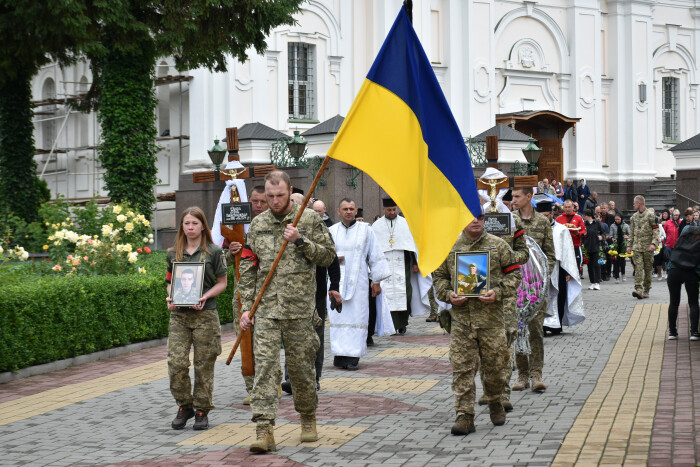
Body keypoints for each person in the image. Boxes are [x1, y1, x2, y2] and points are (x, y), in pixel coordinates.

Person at [238, 170, 336, 452]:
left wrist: (300, 240)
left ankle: (307, 417)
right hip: (266, 310)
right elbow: (247, 267)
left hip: (300, 310)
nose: (274, 201)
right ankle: (264, 430)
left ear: (289, 190)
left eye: (280, 195)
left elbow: (328, 255)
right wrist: (246, 307)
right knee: (265, 370)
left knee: (301, 369)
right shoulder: (258, 224)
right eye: (269, 196)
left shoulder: (308, 219)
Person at [433, 207, 520, 435]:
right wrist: (448, 295)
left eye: (480, 217)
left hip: (491, 320)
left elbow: (514, 274)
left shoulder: (498, 245)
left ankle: (494, 400)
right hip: (462, 320)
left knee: (495, 368)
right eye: (471, 217)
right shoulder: (450, 246)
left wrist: (497, 292)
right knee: (462, 368)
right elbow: (439, 277)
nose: (476, 221)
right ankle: (465, 415)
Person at [166, 207, 228, 431]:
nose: (190, 228)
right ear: (181, 226)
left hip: (205, 315)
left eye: (194, 223)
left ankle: (202, 410)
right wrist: (171, 296)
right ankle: (185, 405)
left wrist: (205, 296)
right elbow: (170, 280)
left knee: (204, 364)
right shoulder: (174, 253)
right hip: (179, 316)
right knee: (176, 363)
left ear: (203, 225)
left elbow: (222, 282)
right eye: (186, 223)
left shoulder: (213, 251)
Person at [224, 185, 282, 406]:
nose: (258, 206)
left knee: (267, 340)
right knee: (245, 339)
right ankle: (251, 387)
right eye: (255, 201)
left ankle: (272, 383)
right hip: (243, 293)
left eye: (262, 202)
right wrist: (231, 252)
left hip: (267, 293)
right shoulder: (236, 226)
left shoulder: (274, 224)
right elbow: (222, 262)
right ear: (249, 202)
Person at [282, 201, 340, 393]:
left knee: (315, 336)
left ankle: (314, 376)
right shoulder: (283, 227)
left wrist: (334, 286)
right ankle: (290, 378)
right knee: (290, 337)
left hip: (316, 292)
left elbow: (331, 259)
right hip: (289, 295)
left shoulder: (317, 226)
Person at [328, 198, 390, 370]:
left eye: (351, 209)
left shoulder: (366, 231)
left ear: (356, 211)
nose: (348, 211)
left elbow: (375, 255)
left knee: (357, 317)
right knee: (338, 317)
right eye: (345, 209)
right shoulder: (331, 231)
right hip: (335, 281)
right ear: (338, 211)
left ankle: (353, 355)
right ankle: (340, 354)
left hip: (359, 282)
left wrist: (376, 281)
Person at [511, 186, 555, 392]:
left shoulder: (543, 222)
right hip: (515, 287)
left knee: (536, 331)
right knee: (518, 329)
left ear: (529, 197)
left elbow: (550, 254)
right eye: (512, 197)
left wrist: (542, 277)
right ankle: (521, 375)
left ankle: (536, 374)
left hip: (536, 289)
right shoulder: (509, 220)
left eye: (517, 196)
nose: (514, 200)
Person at [371, 197, 432, 335]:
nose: (392, 212)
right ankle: (391, 324)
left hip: (403, 264)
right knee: (387, 294)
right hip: (385, 264)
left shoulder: (405, 224)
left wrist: (415, 263)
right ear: (383, 210)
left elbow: (412, 246)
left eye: (394, 209)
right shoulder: (376, 226)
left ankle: (403, 323)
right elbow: (373, 249)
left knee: (406, 293)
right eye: (389, 210)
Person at [539, 200, 584, 335]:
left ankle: (555, 325)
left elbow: (567, 252)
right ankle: (541, 324)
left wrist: (567, 271)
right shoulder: (535, 229)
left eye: (546, 215)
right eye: (541, 215)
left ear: (552, 214)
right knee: (541, 296)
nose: (544, 218)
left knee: (558, 294)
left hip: (558, 268)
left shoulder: (561, 229)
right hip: (539, 268)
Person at [666, 226, 700, 340]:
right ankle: (694, 332)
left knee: (674, 302)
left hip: (674, 271)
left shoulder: (681, 240)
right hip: (690, 272)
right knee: (693, 302)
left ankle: (672, 332)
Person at [628, 195, 659, 299]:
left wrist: (653, 244)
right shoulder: (634, 217)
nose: (633, 205)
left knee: (648, 269)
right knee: (638, 268)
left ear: (639, 203)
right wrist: (629, 245)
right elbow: (631, 232)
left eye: (634, 203)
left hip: (647, 248)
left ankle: (646, 290)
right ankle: (638, 289)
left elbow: (656, 230)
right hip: (637, 247)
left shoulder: (651, 215)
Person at [582, 209, 604, 290]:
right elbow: (582, 234)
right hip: (587, 247)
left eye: (585, 216)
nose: (583, 217)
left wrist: (602, 237)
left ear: (589, 216)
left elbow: (603, 232)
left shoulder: (597, 223)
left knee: (596, 264)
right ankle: (592, 282)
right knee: (589, 265)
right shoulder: (584, 224)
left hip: (596, 246)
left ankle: (597, 282)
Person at [610, 214, 630, 283]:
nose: (617, 221)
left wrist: (627, 236)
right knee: (616, 261)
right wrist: (613, 239)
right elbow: (611, 235)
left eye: (618, 219)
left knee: (622, 261)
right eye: (616, 219)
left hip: (623, 245)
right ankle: (617, 277)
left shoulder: (626, 225)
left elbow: (629, 234)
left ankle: (623, 274)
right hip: (615, 245)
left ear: (621, 219)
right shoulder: (612, 226)